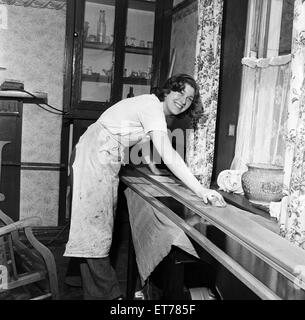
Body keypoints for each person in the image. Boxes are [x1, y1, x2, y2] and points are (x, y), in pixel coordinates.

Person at [63, 74, 226, 300]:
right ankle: (108, 297)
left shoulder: (153, 110)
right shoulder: (152, 107)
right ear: (168, 91)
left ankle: (77, 280)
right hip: (96, 154)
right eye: (180, 92)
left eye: (189, 99)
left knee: (89, 221)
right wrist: (200, 190)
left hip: (98, 152)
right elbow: (165, 151)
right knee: (95, 226)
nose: (183, 100)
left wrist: (157, 173)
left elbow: (145, 145)